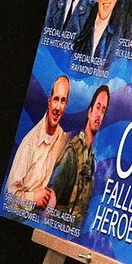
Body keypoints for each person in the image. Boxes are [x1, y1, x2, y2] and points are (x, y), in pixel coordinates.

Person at [46, 83, 109, 223]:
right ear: (89, 111)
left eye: (103, 110)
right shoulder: (72, 153)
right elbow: (50, 205)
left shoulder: (92, 160)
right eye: (98, 107)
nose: (99, 114)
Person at [5, 75, 71, 210]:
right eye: (56, 99)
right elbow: (9, 196)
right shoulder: (29, 143)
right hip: (19, 219)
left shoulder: (65, 141)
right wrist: (33, 198)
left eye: (63, 101)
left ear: (66, 105)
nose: (58, 107)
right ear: (49, 101)